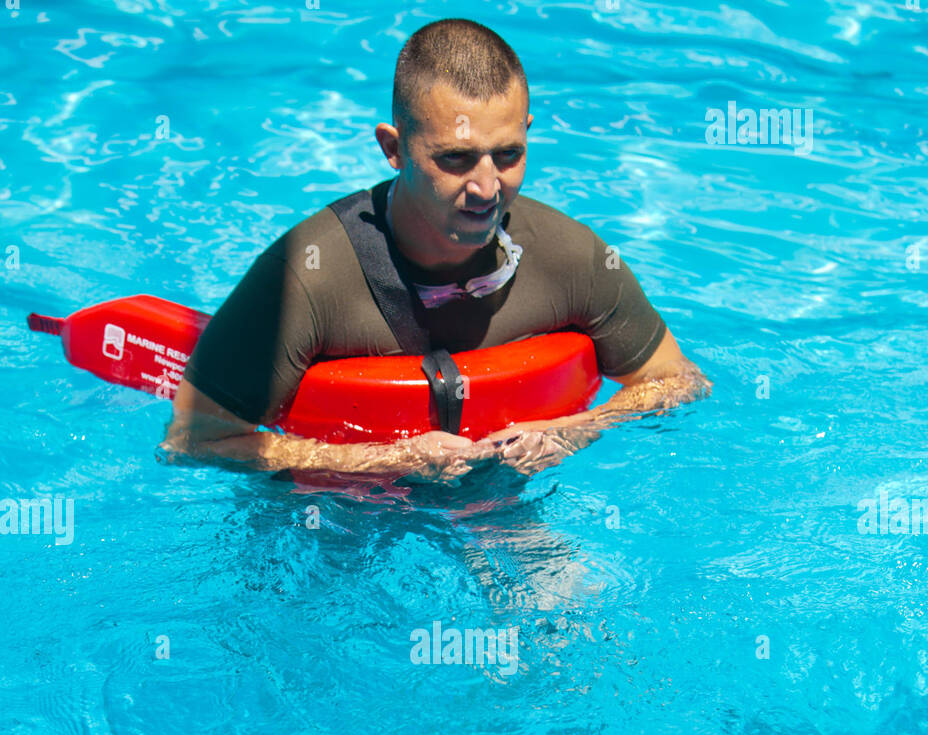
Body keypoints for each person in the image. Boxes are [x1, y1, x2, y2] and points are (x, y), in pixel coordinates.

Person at [163, 19, 710, 485]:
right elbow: (191, 441)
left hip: (499, 499)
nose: (487, 187)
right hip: (332, 507)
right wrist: (379, 461)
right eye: (456, 159)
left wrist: (574, 429)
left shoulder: (573, 258)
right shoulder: (305, 278)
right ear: (393, 149)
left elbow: (681, 380)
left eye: (509, 154)